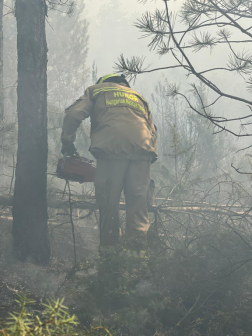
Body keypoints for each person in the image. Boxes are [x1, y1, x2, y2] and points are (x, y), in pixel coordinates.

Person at [61, 74, 157, 253]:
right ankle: (136, 263)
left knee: (108, 206)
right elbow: (153, 132)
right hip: (142, 154)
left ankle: (110, 261)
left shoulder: (97, 91)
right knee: (138, 209)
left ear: (104, 82)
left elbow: (74, 114)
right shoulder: (139, 97)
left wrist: (67, 142)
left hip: (111, 152)